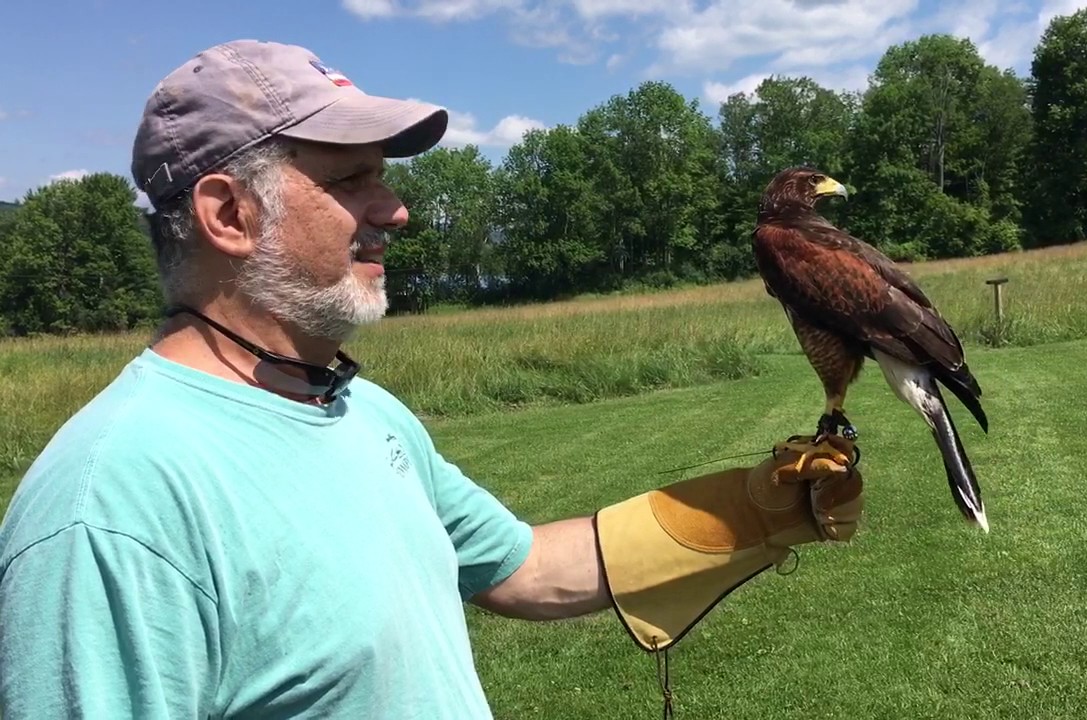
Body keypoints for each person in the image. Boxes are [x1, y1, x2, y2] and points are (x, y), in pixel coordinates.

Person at [0, 39, 865, 719]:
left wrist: (752, 509)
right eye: (350, 179)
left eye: (384, 175)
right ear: (229, 213)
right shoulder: (112, 504)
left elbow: (520, 568)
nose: (396, 208)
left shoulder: (354, 407)